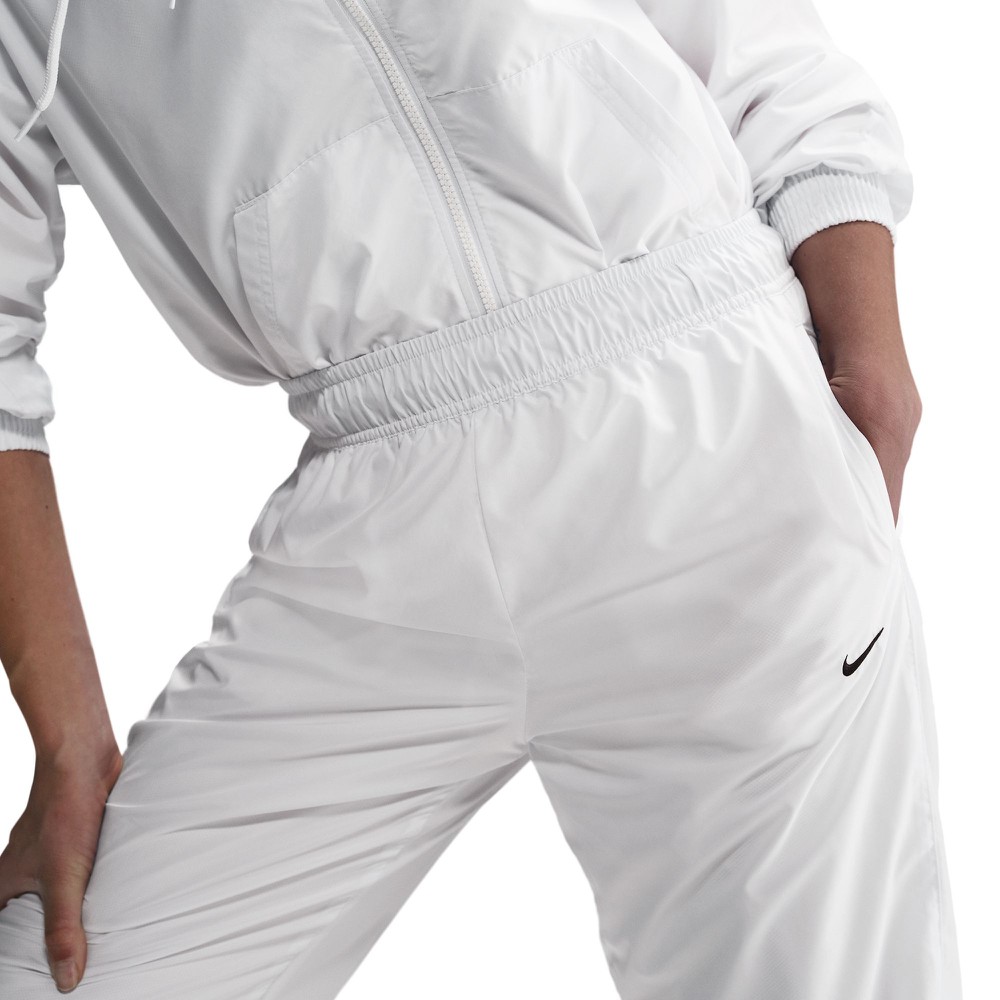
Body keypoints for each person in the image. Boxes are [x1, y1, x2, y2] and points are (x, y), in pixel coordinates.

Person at [0, 0, 964, 996]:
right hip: (377, 504)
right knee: (66, 976)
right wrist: (67, 743)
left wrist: (868, 379)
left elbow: (764, 59)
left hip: (708, 402)